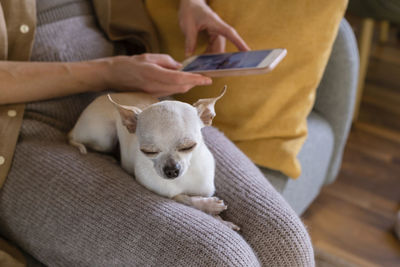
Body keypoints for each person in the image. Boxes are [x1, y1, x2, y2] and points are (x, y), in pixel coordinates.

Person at [0, 0, 314, 266]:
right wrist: (108, 70)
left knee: (286, 241)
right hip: (24, 127)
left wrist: (189, 3)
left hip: (146, 104)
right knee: (220, 258)